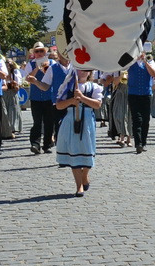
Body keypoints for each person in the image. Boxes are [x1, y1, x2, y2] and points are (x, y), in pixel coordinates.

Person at [54, 67, 103, 196]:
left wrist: (82, 97)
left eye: (85, 70)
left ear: (89, 72)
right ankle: (79, 186)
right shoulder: (67, 86)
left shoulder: (94, 87)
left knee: (88, 151)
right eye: (80, 70)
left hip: (87, 121)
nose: (82, 72)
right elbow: (59, 106)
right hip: (71, 121)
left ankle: (84, 175)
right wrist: (71, 101)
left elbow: (97, 105)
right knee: (74, 150)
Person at [25, 43, 61, 154]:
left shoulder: (52, 63)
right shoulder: (30, 64)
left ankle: (47, 145)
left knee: (49, 122)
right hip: (36, 97)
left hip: (48, 97)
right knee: (37, 122)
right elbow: (27, 78)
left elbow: (55, 77)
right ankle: (35, 143)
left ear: (45, 52)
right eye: (37, 51)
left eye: (41, 51)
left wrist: (46, 69)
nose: (39, 53)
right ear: (34, 54)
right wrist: (36, 68)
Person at [125, 53, 155, 153]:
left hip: (146, 94)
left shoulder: (150, 62)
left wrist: (145, 62)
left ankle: (143, 142)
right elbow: (122, 67)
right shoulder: (130, 62)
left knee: (146, 120)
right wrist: (134, 59)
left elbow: (153, 74)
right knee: (137, 119)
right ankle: (138, 143)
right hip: (133, 94)